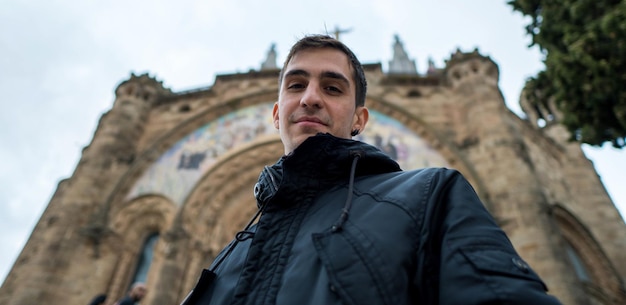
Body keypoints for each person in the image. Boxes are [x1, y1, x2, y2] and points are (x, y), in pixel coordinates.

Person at [181, 34, 563, 304]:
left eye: (332, 88)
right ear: (277, 113)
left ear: (359, 118)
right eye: (296, 85)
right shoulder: (228, 255)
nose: (311, 98)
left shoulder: (431, 195)